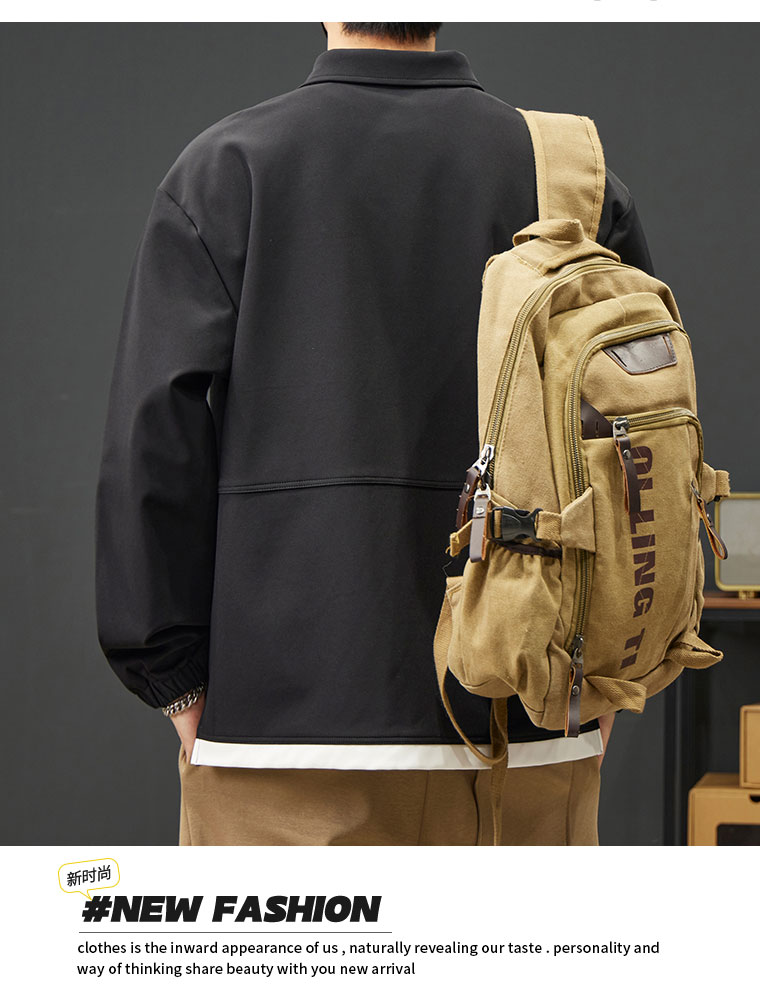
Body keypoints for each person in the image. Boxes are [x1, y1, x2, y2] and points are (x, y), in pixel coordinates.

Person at [95, 22, 653, 846]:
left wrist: (173, 676)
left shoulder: (226, 169)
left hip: (280, 739)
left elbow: (153, 441)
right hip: (528, 718)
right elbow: (639, 437)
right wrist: (611, 674)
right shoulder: (570, 180)